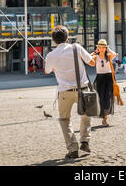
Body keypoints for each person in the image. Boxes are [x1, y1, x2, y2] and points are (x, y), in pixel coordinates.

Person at [44, 25, 95, 159]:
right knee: (86, 116)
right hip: (82, 88)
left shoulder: (51, 55)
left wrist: (57, 67)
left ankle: (73, 149)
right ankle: (84, 141)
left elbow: (47, 71)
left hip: (64, 92)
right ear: (67, 37)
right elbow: (92, 63)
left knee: (64, 119)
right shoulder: (76, 47)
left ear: (54, 40)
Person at [90, 39, 116, 127]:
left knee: (107, 98)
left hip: (108, 78)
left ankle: (105, 119)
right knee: (100, 98)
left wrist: (108, 48)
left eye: (103, 47)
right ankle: (101, 116)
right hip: (100, 78)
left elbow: (114, 54)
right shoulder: (95, 57)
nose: (101, 49)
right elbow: (88, 58)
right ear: (98, 48)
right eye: (100, 47)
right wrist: (94, 52)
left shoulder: (108, 56)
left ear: (105, 48)